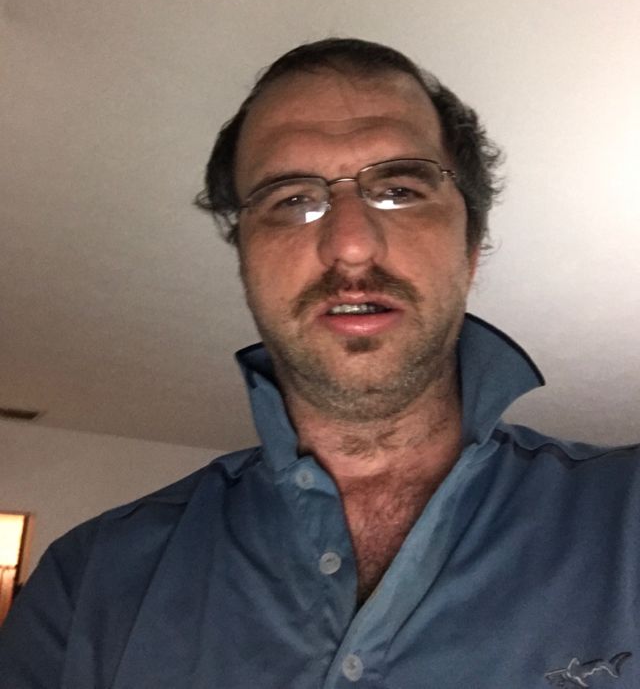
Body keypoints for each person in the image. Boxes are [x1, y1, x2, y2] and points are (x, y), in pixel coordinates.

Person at [1, 38, 638, 688]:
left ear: (470, 249)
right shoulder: (89, 584)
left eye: (400, 189)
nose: (351, 244)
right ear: (247, 263)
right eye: (291, 199)